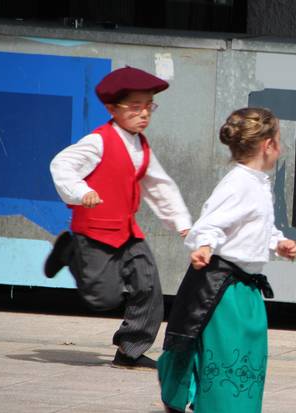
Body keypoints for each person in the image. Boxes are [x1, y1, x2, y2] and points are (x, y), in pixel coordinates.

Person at [44, 66, 193, 370]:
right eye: (136, 107)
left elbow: (159, 185)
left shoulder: (141, 146)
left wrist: (182, 222)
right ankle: (70, 251)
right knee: (103, 298)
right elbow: (62, 164)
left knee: (148, 285)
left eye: (149, 106)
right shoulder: (99, 141)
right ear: (113, 108)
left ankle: (130, 350)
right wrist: (79, 191)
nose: (144, 114)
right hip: (94, 232)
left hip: (127, 232)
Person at [157, 107, 296, 413]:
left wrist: (278, 242)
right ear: (268, 146)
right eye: (279, 141)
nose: (282, 148)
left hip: (244, 289)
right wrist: (205, 245)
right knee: (226, 357)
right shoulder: (238, 184)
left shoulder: (257, 182)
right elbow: (210, 223)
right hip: (223, 290)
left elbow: (256, 223)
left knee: (246, 356)